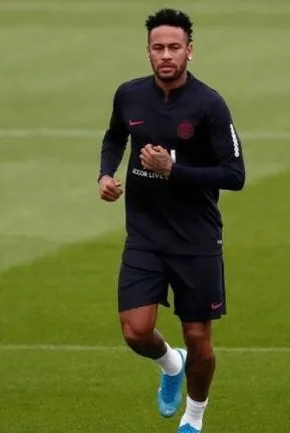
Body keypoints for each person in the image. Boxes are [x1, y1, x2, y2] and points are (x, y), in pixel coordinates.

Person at [98, 8, 246, 433]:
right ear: (147, 51)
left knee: (198, 339)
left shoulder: (209, 104)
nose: (166, 55)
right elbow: (115, 136)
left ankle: (193, 420)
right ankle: (170, 363)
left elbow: (235, 175)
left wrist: (173, 170)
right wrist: (106, 174)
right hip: (145, 234)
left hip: (196, 238)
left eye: (174, 48)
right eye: (158, 47)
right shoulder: (129, 95)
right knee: (136, 332)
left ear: (189, 51)